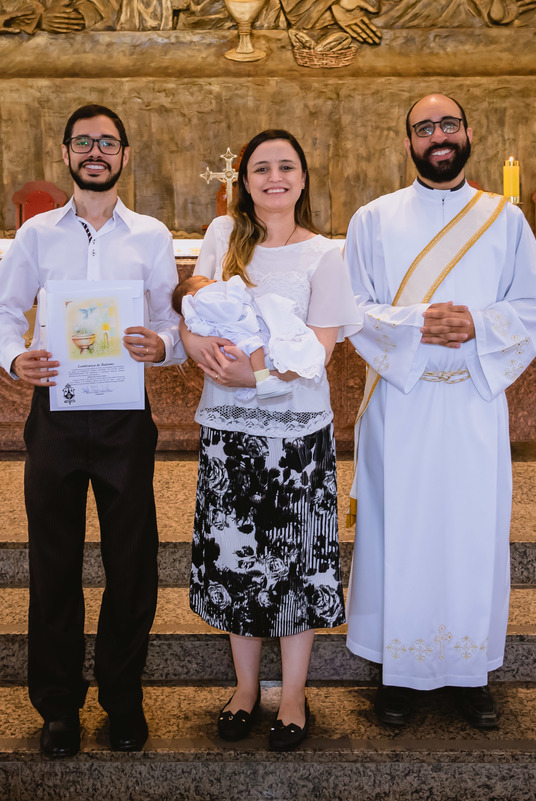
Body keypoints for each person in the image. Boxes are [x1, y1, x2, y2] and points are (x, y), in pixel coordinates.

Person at [342, 93, 536, 729]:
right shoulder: (372, 220)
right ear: (408, 141)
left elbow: (534, 305)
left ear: (467, 133)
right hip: (401, 404)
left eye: (449, 124)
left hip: (471, 403)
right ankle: (397, 674)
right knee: (398, 533)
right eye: (425, 127)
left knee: (471, 533)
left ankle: (471, 672)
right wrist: (418, 324)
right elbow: (353, 306)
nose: (439, 135)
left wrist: (478, 325)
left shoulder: (505, 220)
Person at [0, 103, 183, 757]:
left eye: (108, 142)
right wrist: (16, 356)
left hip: (126, 417)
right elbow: (4, 311)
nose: (95, 151)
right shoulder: (37, 235)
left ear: (124, 154)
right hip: (57, 418)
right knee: (54, 563)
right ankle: (59, 707)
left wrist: (161, 344)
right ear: (66, 152)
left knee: (132, 565)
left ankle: (123, 699)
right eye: (84, 141)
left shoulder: (151, 236)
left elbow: (172, 324)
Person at [180, 129, 361, 752]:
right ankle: (245, 689)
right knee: (237, 565)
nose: (273, 177)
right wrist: (198, 346)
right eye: (261, 168)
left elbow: (320, 350)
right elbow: (194, 315)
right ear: (246, 180)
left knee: (296, 566)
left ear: (303, 180)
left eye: (286, 167)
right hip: (231, 434)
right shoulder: (221, 237)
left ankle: (292, 694)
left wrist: (252, 377)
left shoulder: (324, 256)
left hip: (296, 440)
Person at [173, 273, 326, 400]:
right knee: (255, 346)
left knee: (261, 349)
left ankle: (254, 384)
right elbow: (230, 310)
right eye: (206, 281)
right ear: (190, 295)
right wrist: (235, 285)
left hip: (234, 336)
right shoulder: (202, 299)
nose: (214, 280)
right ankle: (263, 380)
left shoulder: (205, 301)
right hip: (234, 336)